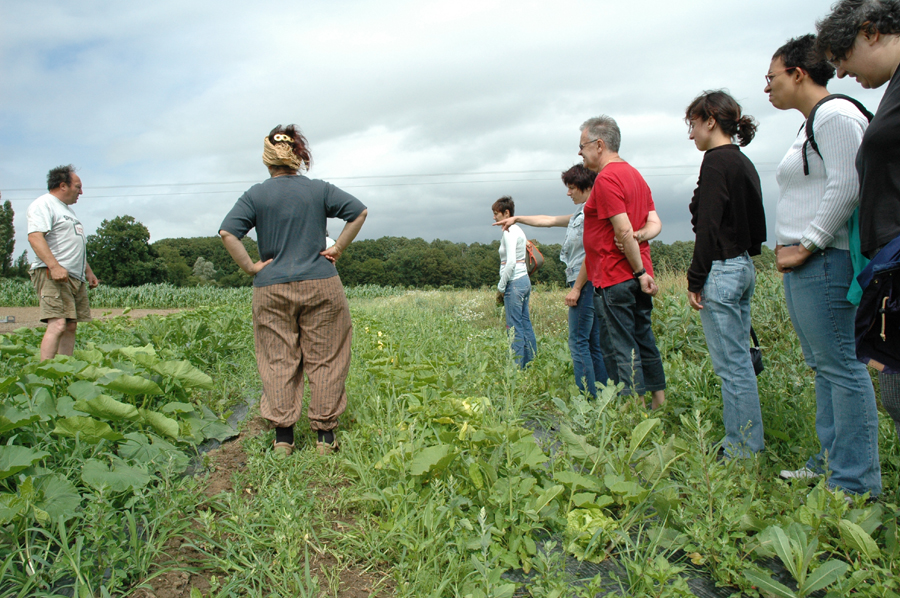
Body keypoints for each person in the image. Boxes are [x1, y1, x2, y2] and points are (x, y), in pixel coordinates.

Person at [766, 35, 882, 495]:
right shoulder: (813, 122)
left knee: (842, 367)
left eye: (771, 77)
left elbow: (848, 185)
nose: (768, 88)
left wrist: (808, 244)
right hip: (810, 266)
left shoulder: (835, 115)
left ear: (798, 73)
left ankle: (854, 483)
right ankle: (830, 462)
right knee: (826, 365)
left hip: (826, 261)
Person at [219, 125, 368, 456]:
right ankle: (325, 439)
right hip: (321, 283)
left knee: (277, 358)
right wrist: (338, 248)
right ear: (298, 156)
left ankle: (284, 438)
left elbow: (228, 233)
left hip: (271, 287)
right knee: (327, 357)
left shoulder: (255, 195)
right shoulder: (318, 190)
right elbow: (359, 212)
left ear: (267, 160)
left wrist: (250, 267)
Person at [817, 0, 900, 446]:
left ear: (871, 31)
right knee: (895, 392)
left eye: (842, 58)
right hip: (889, 267)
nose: (843, 74)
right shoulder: (891, 90)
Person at [684, 91, 767, 458]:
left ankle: (743, 449)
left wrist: (695, 277)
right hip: (743, 265)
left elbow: (709, 225)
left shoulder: (715, 162)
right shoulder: (742, 161)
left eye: (693, 124)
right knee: (740, 363)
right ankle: (746, 442)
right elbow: (754, 223)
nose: (691, 134)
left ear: (711, 121)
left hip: (720, 267)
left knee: (732, 367)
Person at [577, 115, 666, 408]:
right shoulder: (636, 175)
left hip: (616, 276)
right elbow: (654, 223)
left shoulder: (607, 178)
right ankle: (658, 402)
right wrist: (641, 246)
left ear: (599, 145)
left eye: (583, 146)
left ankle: (632, 414)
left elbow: (623, 229)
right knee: (643, 339)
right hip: (639, 276)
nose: (580, 152)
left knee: (620, 348)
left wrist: (638, 270)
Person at [26, 165, 99, 361]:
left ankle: (63, 371)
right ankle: (44, 374)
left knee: (70, 326)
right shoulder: (44, 204)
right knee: (58, 324)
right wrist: (54, 266)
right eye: (78, 186)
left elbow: (73, 245)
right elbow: (35, 237)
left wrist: (88, 271)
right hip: (53, 274)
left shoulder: (67, 211)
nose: (81, 192)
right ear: (63, 185)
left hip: (73, 276)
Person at [492, 196, 537, 368]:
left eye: (496, 214)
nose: (494, 218)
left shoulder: (509, 231)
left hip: (514, 283)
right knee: (525, 322)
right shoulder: (519, 230)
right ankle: (531, 362)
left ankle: (517, 368)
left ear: (506, 213)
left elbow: (510, 262)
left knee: (514, 327)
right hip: (524, 280)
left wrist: (501, 287)